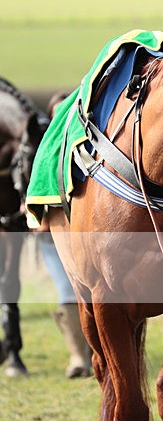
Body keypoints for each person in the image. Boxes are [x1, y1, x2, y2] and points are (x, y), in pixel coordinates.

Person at [38, 92, 92, 378]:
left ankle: (95, 354)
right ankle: (77, 358)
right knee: (68, 291)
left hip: (85, 236)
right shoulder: (44, 153)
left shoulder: (90, 149)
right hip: (53, 237)